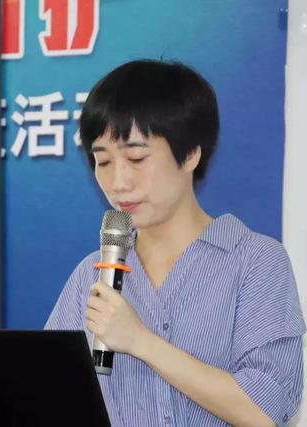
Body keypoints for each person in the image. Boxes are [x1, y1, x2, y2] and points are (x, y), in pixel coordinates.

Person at [45, 60, 305, 426]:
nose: (118, 182)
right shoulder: (92, 273)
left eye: (136, 158)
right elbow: (48, 393)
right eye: (102, 161)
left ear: (191, 154)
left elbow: (264, 410)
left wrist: (141, 342)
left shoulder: (256, 262)